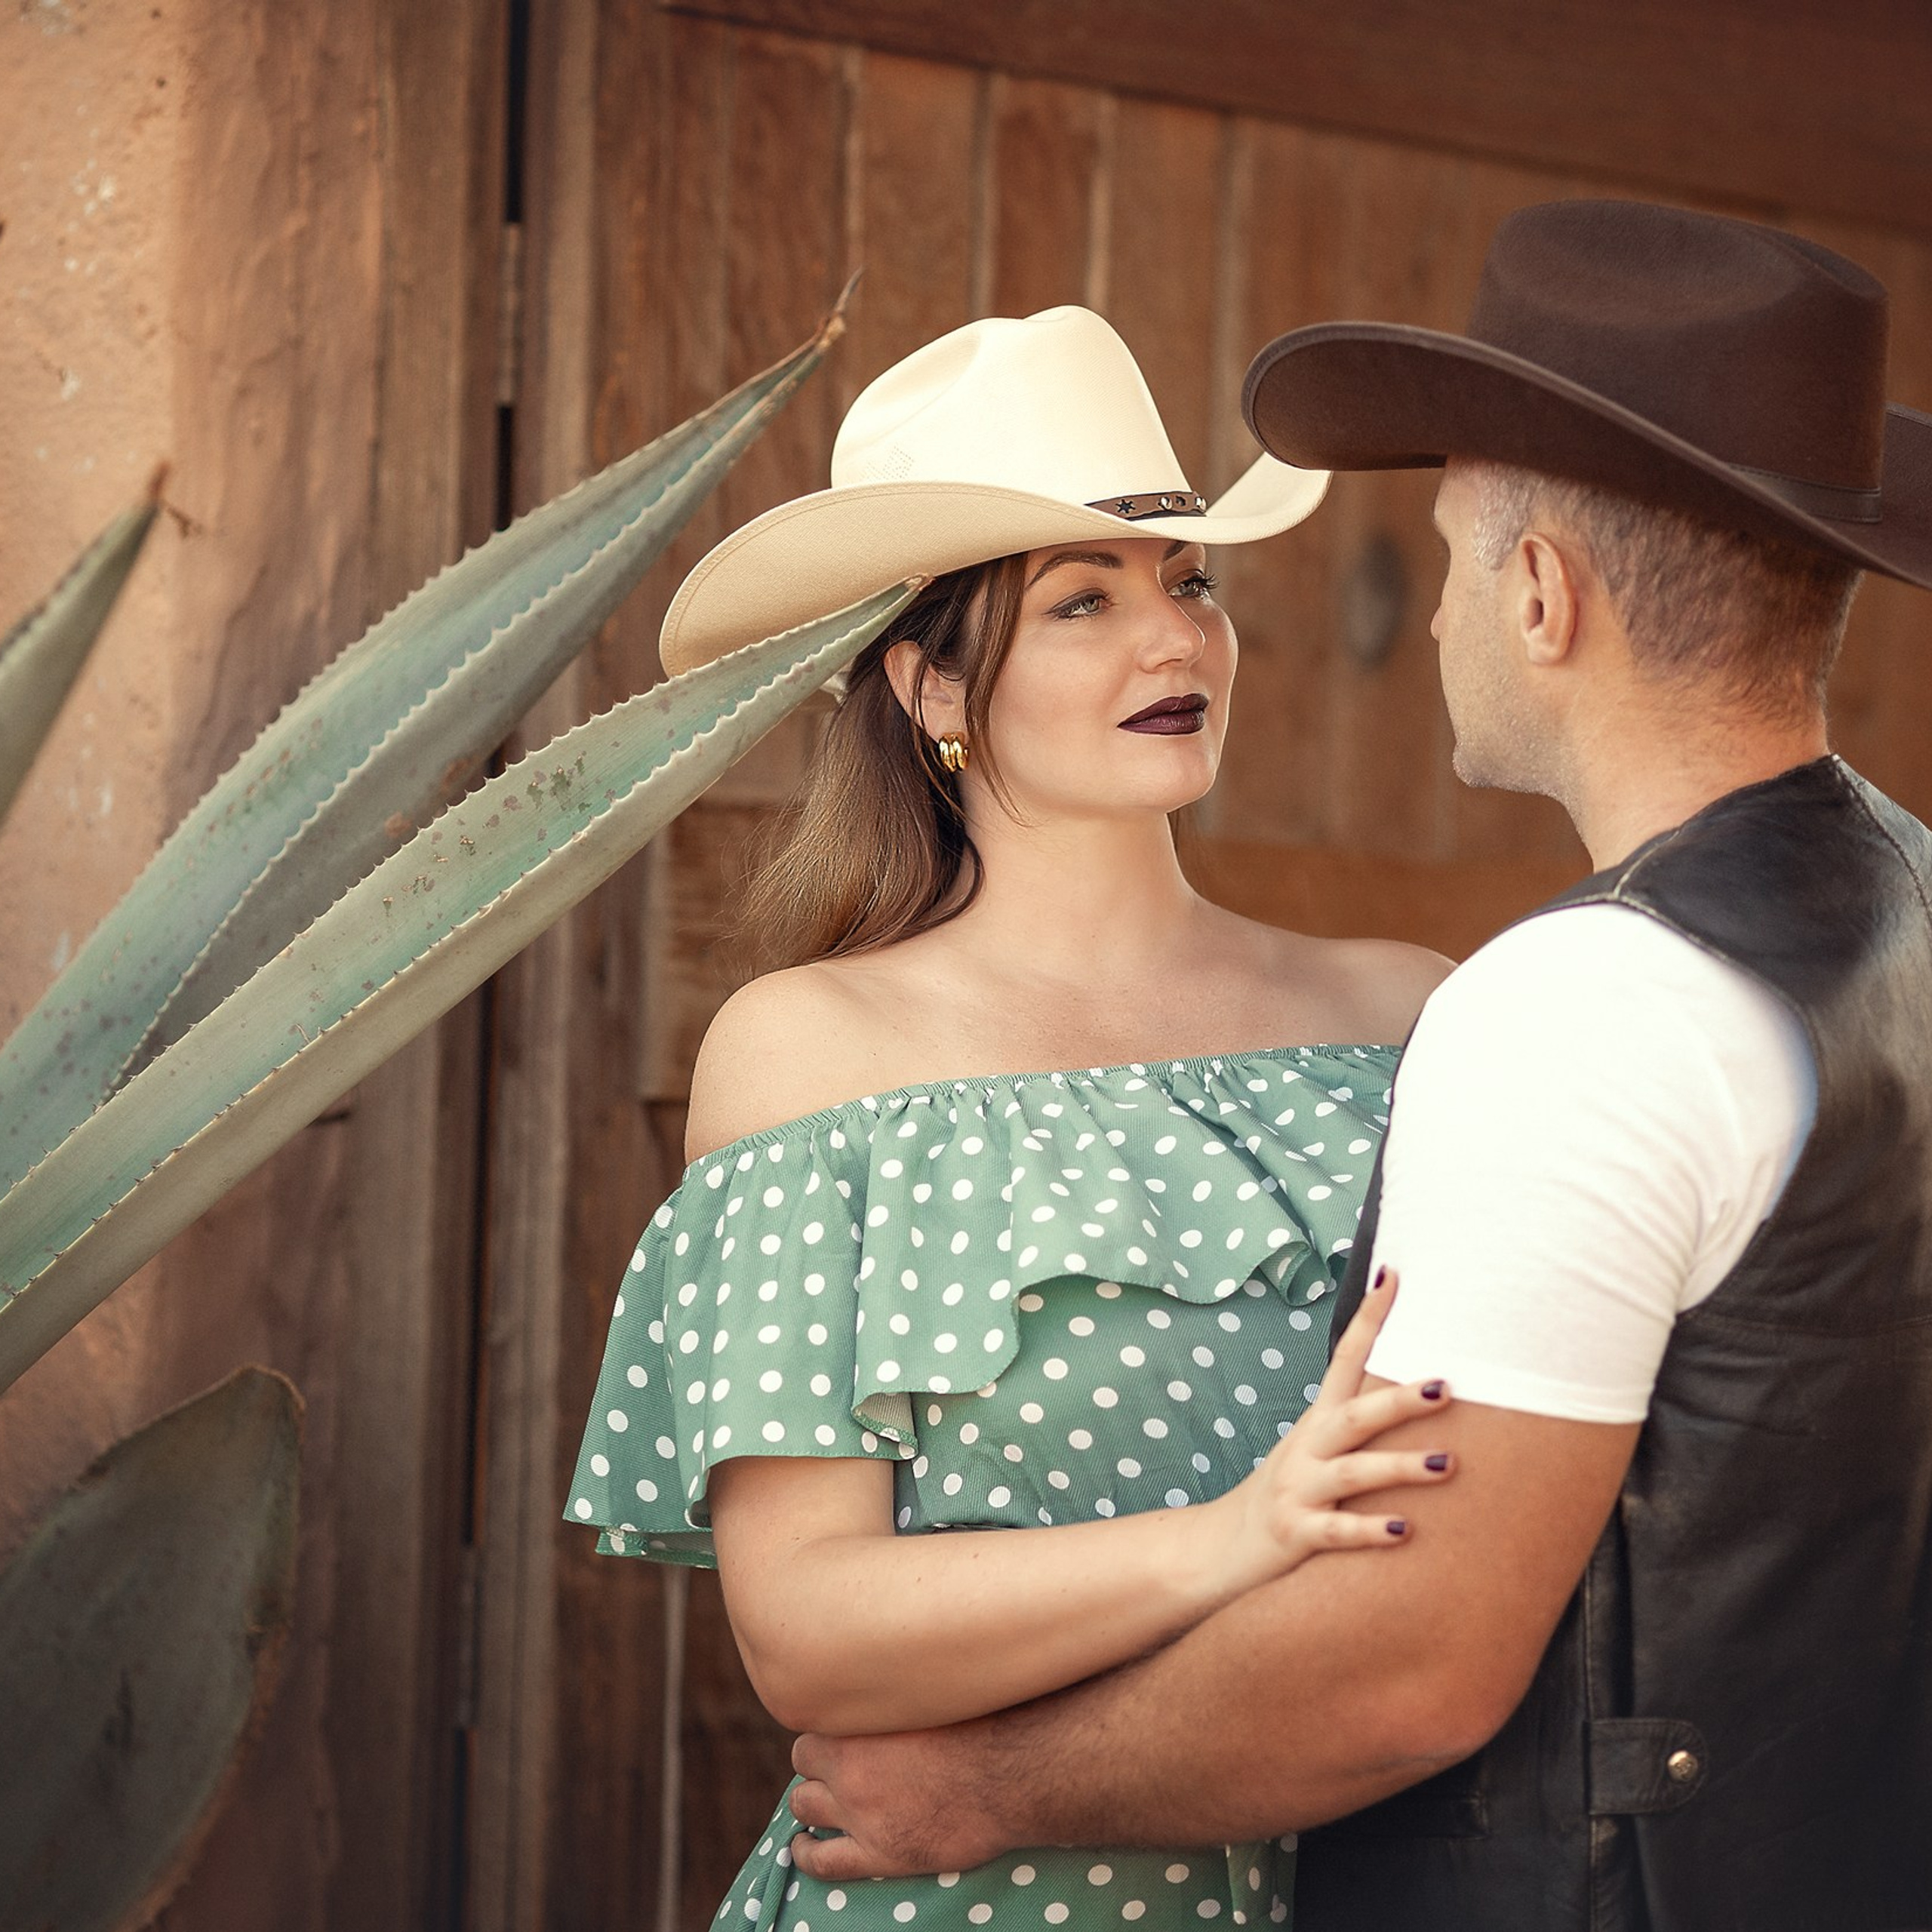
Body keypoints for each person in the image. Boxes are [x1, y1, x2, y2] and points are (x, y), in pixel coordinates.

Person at [783, 202, 1932, 1932]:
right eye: (1080, 599)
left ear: (1539, 596)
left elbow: (1408, 1669)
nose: (1442, 603)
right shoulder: (1910, 908)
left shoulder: (1575, 1003)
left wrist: (988, 1789)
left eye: (1461, 552)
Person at [565, 304, 1460, 1930]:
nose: (1171, 640)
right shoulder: (814, 1050)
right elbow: (808, 1629)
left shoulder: (1408, 1016)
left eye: (1187, 580)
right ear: (928, 685)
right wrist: (1235, 1536)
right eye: (1080, 601)